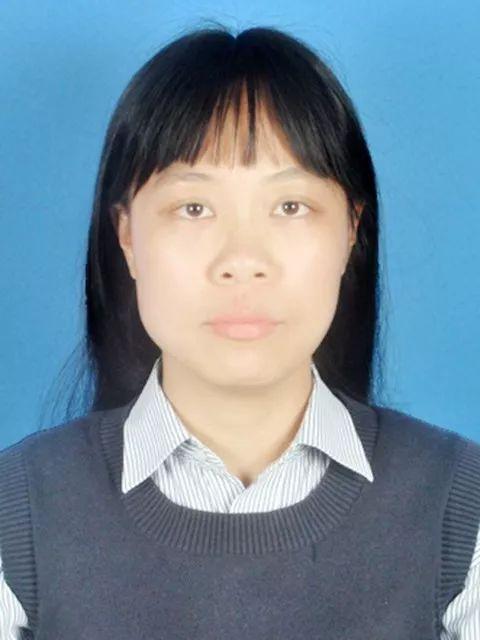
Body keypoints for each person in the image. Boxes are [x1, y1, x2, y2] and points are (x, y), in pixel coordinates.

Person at [0, 23, 479, 640]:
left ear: (350, 232)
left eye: (290, 207)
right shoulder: (18, 514)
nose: (243, 259)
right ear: (127, 237)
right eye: (194, 208)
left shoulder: (459, 509)